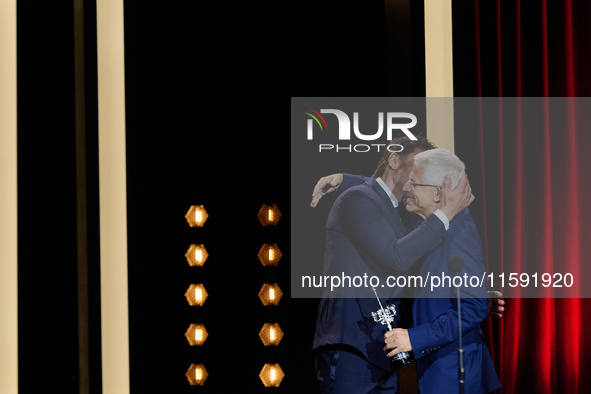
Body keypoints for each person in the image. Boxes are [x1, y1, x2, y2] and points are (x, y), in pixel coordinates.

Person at [312, 136, 475, 393]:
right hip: (351, 344)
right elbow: (396, 255)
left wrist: (468, 293)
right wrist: (446, 212)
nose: (423, 174)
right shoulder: (357, 198)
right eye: (418, 165)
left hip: (385, 348)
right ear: (394, 160)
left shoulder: (400, 212)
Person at [383, 149, 501, 393]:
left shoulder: (459, 233)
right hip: (437, 370)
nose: (406, 187)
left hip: (453, 375)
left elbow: (473, 307)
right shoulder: (432, 228)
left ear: (438, 193)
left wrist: (413, 338)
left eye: (413, 183)